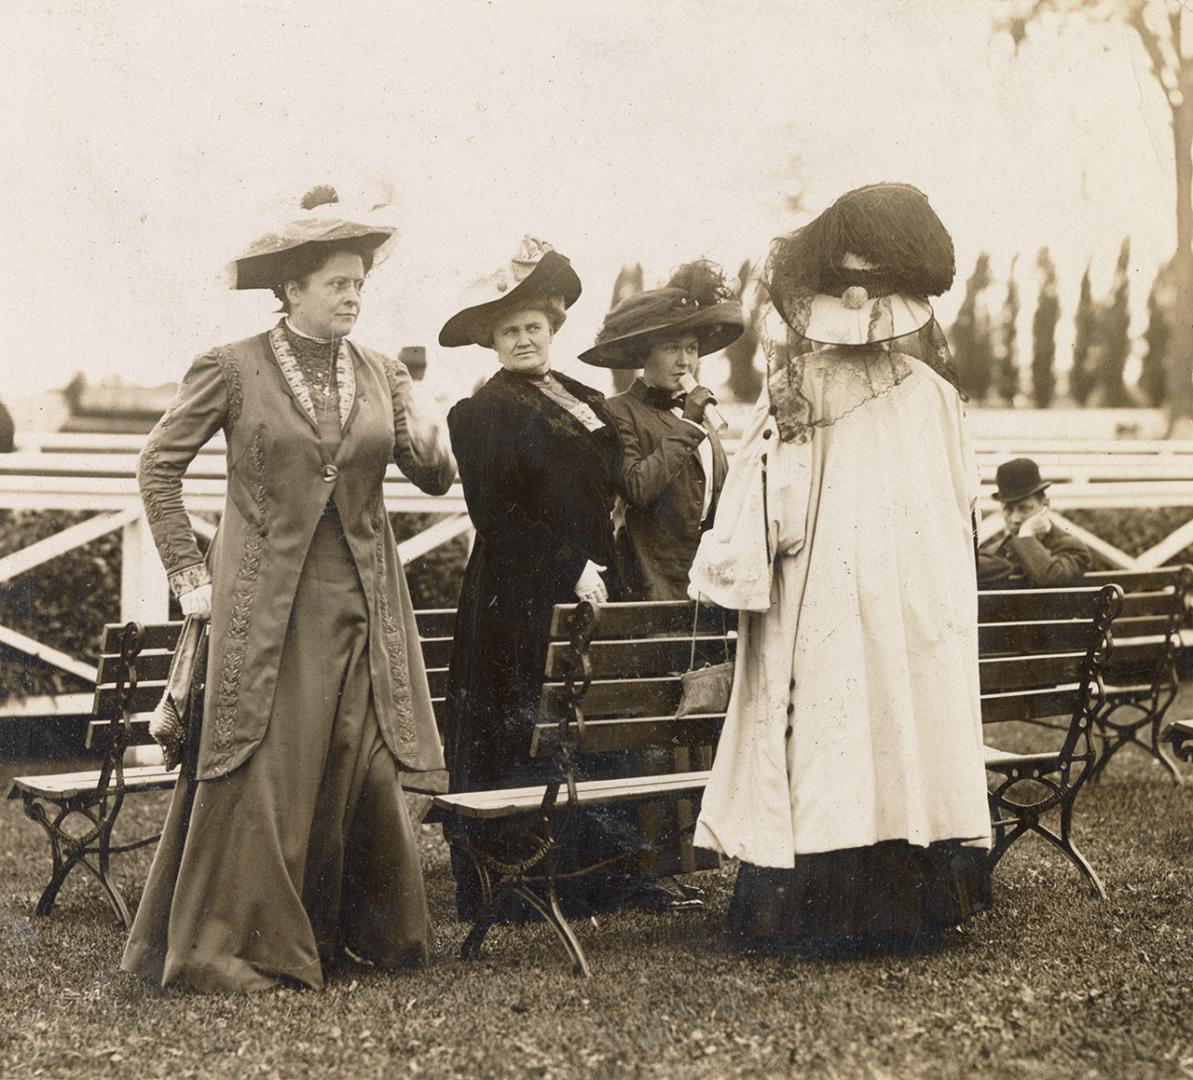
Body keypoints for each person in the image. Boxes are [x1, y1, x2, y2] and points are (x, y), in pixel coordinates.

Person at [122, 187, 456, 992]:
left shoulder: (382, 371)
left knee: (360, 761)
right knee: (269, 765)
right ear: (293, 289)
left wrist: (428, 415)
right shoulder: (230, 366)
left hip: (365, 601)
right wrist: (187, 572)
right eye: (337, 282)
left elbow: (434, 478)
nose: (352, 295)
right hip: (266, 607)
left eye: (359, 284)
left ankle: (361, 932)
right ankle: (238, 943)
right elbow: (157, 466)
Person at [689, 183, 993, 958]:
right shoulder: (888, 393)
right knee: (871, 727)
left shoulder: (853, 393)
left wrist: (737, 569)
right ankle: (896, 903)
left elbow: (767, 513)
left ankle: (839, 907)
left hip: (866, 597)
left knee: (850, 730)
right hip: (862, 596)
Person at [578, 260, 740, 602]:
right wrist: (689, 425)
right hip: (649, 582)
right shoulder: (618, 410)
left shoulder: (700, 413)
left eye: (691, 348)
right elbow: (637, 487)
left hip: (703, 582)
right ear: (645, 354)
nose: (685, 361)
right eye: (671, 348)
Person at [977, 458, 1093, 585]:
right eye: (1008, 509)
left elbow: (1050, 579)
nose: (1015, 518)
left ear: (1045, 504)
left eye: (1024, 508)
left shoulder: (1072, 548)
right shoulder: (994, 551)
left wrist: (1026, 536)